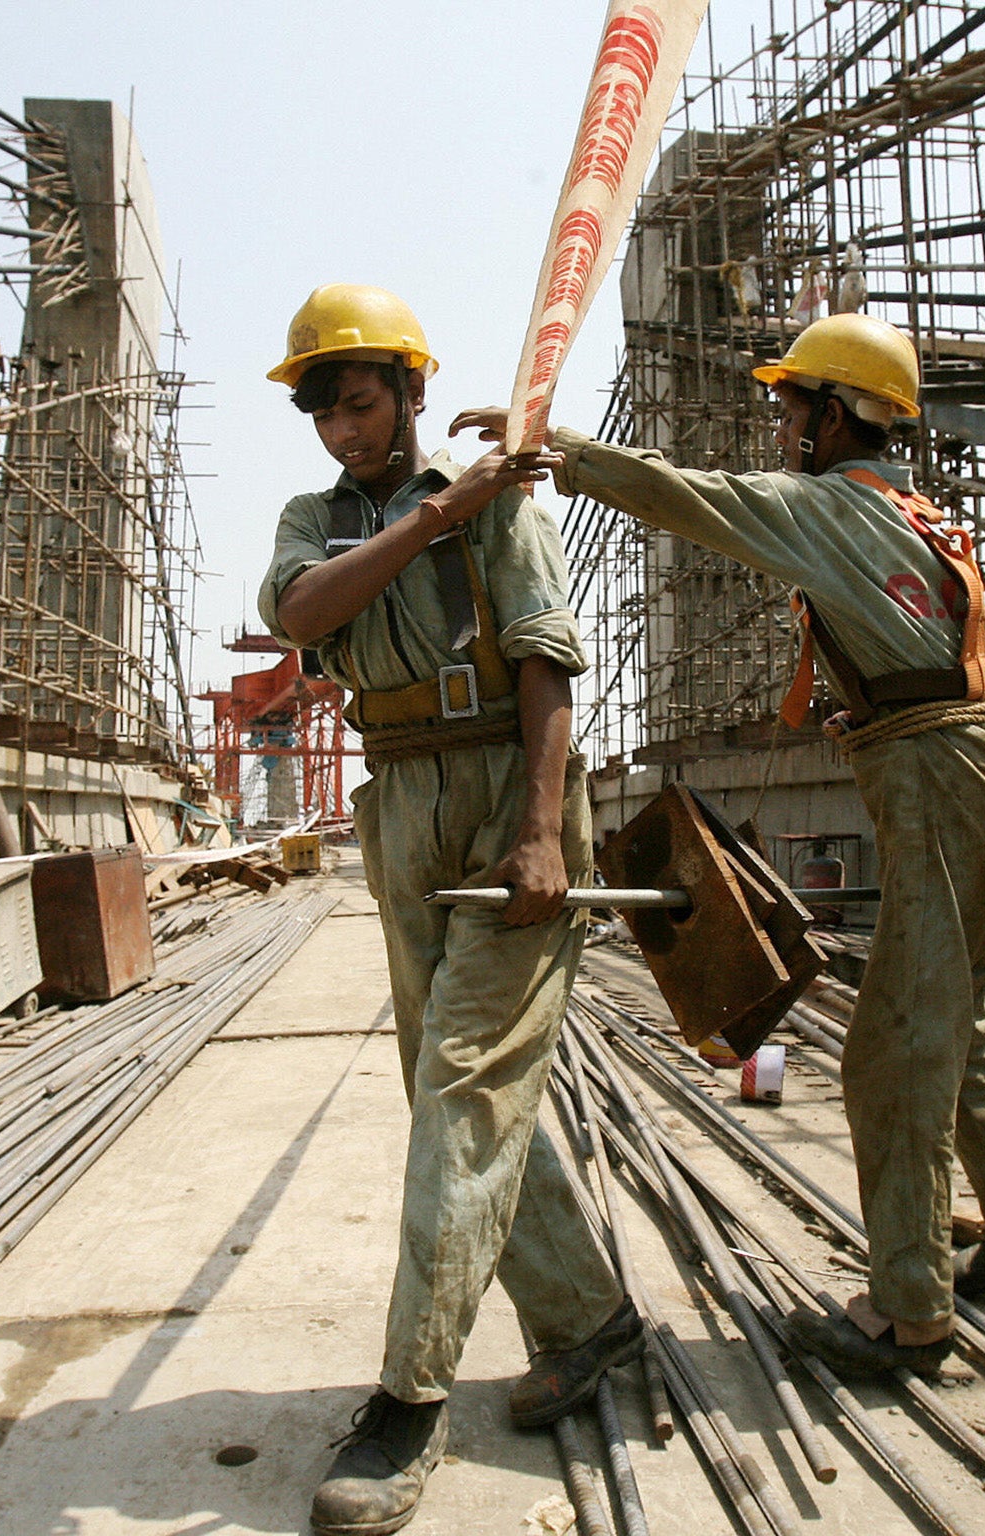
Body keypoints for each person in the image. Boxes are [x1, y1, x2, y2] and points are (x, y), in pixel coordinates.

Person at [452, 312, 985, 1379]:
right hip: (976, 770)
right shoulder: (909, 513)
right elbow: (926, 650)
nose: (781, 423)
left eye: (792, 405)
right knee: (951, 1021)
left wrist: (559, 451)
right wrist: (863, 710)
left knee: (892, 1054)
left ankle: (909, 1315)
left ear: (834, 416)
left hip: (940, 788)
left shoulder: (832, 507)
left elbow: (701, 502)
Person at [258, 284, 640, 1536]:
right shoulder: (317, 521)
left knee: (465, 1088)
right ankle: (588, 1325)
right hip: (399, 804)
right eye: (322, 413)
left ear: (413, 393)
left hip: (500, 791)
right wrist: (436, 515)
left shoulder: (504, 508)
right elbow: (304, 614)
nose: (340, 433)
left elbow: (545, 668)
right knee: (453, 1092)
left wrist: (540, 826)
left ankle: (406, 1405)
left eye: (360, 406)